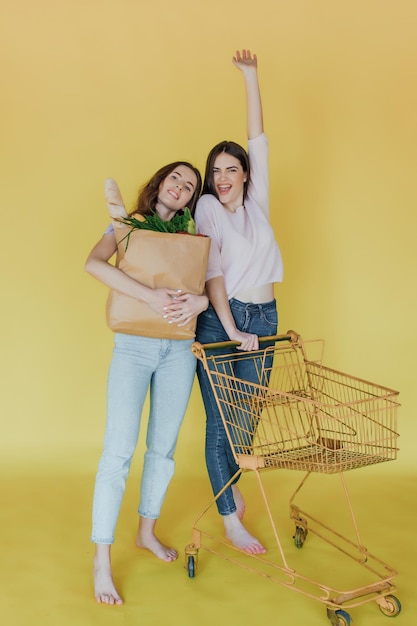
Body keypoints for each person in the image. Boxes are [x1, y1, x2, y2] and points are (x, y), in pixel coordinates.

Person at [85, 161, 208, 605]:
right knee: (118, 452)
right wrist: (150, 296)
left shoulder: (194, 236)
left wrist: (201, 300)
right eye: (176, 178)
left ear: (193, 198)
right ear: (160, 182)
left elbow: (207, 284)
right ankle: (102, 560)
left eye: (190, 185)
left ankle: (146, 532)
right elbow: (94, 264)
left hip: (179, 350)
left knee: (163, 448)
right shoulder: (128, 225)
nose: (181, 187)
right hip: (134, 347)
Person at [194, 50, 284, 555]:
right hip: (221, 319)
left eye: (232, 169)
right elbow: (213, 273)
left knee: (246, 418)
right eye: (216, 169)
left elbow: (259, 141)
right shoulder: (208, 206)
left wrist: (251, 77)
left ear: (246, 174)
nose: (223, 175)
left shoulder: (259, 202)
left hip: (265, 315)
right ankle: (230, 519)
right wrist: (229, 328)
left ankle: (229, 487)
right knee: (219, 421)